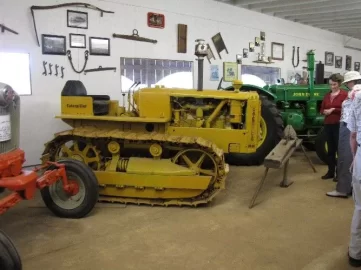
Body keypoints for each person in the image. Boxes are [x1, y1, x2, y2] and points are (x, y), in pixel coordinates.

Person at [327, 71, 361, 198]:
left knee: (345, 158)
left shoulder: (355, 93)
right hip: (354, 129)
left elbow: (350, 115)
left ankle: (343, 189)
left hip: (349, 128)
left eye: (347, 83)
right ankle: (352, 186)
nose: (347, 85)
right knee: (354, 159)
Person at [320, 73, 348, 180]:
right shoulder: (327, 96)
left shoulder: (344, 95)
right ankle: (330, 171)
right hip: (328, 125)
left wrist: (334, 110)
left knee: (339, 150)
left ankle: (339, 173)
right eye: (331, 84)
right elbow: (321, 109)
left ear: (339, 84)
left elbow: (347, 110)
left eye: (334, 84)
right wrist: (324, 112)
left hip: (339, 125)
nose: (332, 86)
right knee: (330, 150)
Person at [347, 85, 361, 267]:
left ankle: (355, 253)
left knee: (360, 207)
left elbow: (353, 135)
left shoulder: (358, 98)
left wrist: (354, 158)